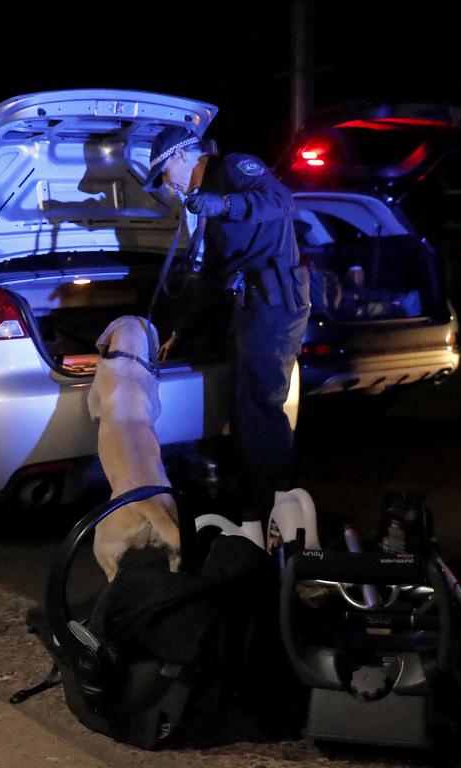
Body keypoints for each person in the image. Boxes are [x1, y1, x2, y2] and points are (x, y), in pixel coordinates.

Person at [143, 125, 311, 529]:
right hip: (248, 305)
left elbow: (280, 201)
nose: (169, 186)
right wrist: (181, 331)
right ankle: (254, 504)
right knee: (242, 405)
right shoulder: (204, 205)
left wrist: (224, 204)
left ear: (182, 156)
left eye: (165, 174)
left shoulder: (234, 168)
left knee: (257, 406)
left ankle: (276, 512)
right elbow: (214, 276)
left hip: (272, 301)